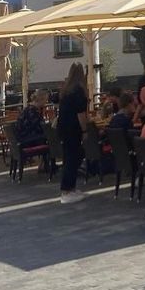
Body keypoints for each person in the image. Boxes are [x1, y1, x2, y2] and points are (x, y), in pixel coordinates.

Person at [57, 63, 88, 204]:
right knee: (73, 158)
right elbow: (81, 114)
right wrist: (85, 130)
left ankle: (70, 188)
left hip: (64, 127)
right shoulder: (79, 91)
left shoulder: (66, 90)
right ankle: (67, 190)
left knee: (69, 158)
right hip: (73, 129)